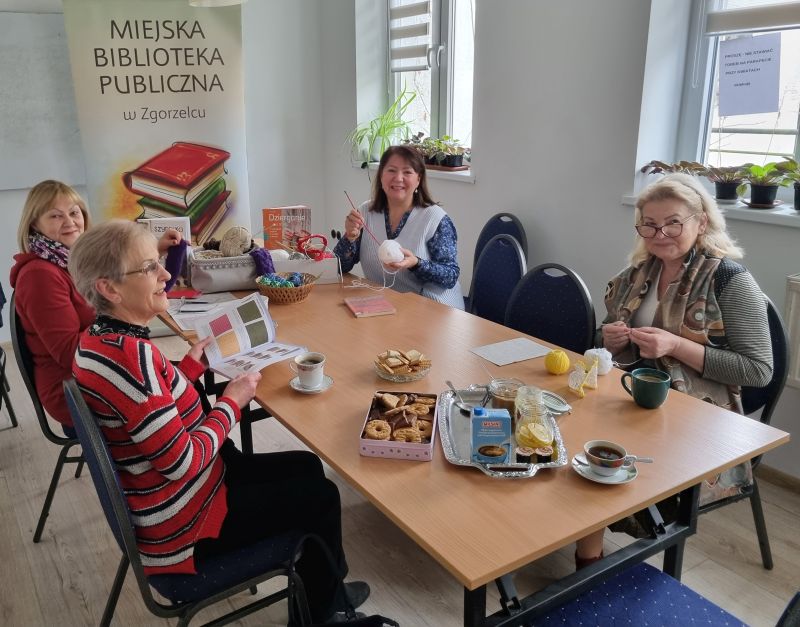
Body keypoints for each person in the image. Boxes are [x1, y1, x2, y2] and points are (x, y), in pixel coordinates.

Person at [68, 220, 368, 623]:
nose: (164, 274)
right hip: (188, 522)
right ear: (109, 288)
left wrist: (188, 371)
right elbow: (180, 462)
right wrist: (231, 403)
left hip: (184, 493)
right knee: (321, 497)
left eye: (157, 262)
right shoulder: (132, 361)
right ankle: (324, 614)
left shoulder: (100, 341)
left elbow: (149, 407)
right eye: (148, 268)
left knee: (307, 466)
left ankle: (324, 589)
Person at [575, 172, 773, 568]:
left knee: (598, 457)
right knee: (572, 432)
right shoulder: (636, 276)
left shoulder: (730, 280)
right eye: (649, 223)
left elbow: (758, 370)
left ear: (701, 223)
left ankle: (589, 565)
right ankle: (582, 554)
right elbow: (607, 340)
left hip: (701, 415)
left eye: (673, 222)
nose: (659, 232)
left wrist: (677, 346)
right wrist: (612, 339)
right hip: (637, 394)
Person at [9, 180, 180, 431]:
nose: (69, 222)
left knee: (179, 382)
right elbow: (70, 352)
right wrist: (126, 323)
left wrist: (154, 252)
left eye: (74, 212)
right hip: (73, 389)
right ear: (35, 224)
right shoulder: (40, 275)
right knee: (177, 392)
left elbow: (116, 271)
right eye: (55, 215)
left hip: (100, 368)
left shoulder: (71, 260)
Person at [334, 145, 464, 309]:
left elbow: (450, 276)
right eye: (391, 170)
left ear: (418, 179)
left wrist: (416, 263)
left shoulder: (435, 218)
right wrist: (349, 237)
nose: (398, 178)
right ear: (381, 175)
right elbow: (339, 267)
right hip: (388, 304)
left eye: (407, 172)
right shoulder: (365, 212)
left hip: (435, 309)